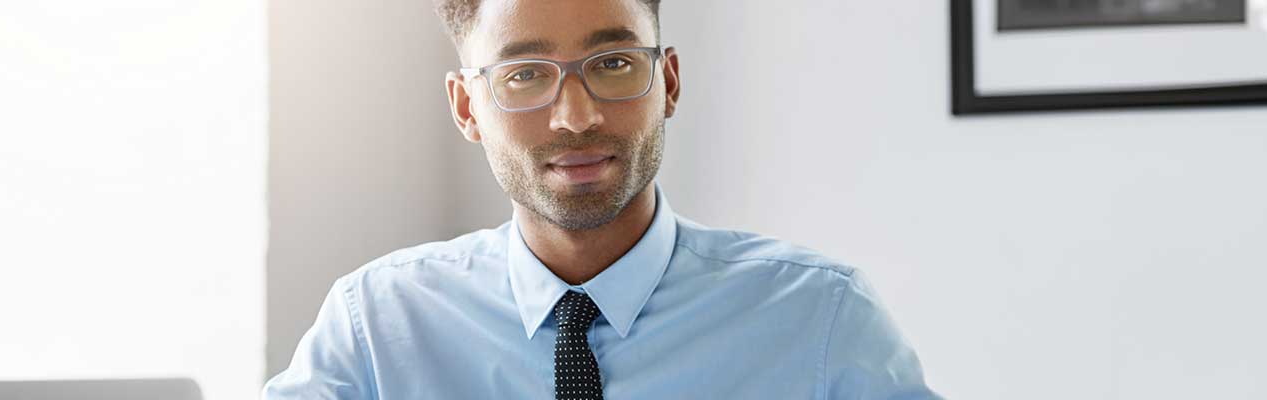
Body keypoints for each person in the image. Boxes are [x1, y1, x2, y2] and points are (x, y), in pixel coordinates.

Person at [264, 0, 941, 398]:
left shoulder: (820, 321)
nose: (575, 116)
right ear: (467, 107)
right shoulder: (375, 331)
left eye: (614, 64)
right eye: (525, 75)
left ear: (668, 82)